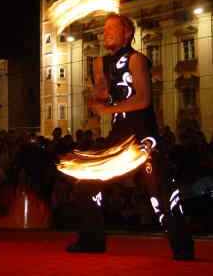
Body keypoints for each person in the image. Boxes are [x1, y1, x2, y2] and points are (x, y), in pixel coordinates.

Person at [66, 14, 195, 260]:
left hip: (142, 135)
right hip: (118, 136)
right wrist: (96, 94)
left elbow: (144, 99)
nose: (105, 33)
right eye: (104, 30)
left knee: (160, 190)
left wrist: (108, 108)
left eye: (111, 29)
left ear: (127, 33)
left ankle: (183, 247)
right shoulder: (100, 63)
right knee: (86, 184)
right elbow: (104, 88)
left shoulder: (137, 60)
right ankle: (91, 241)